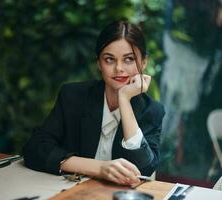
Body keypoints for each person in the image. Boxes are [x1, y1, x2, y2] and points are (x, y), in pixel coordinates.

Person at [23, 20, 165, 185]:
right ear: (99, 63)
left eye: (129, 59)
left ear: (143, 62)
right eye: (109, 59)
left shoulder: (152, 110)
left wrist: (124, 100)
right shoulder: (73, 96)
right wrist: (99, 168)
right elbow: (35, 149)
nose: (119, 68)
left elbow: (144, 169)